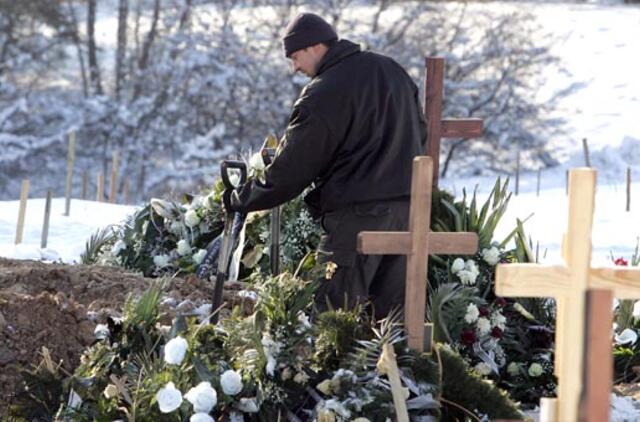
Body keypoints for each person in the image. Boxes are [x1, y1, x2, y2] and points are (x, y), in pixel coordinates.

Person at [225, 12, 426, 319]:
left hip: (357, 218)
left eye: (294, 57)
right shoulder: (393, 71)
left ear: (314, 46)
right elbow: (420, 133)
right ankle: (397, 369)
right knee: (391, 320)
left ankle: (337, 369)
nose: (295, 67)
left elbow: (292, 169)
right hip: (409, 214)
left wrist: (242, 198)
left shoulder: (324, 92)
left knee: (333, 319)